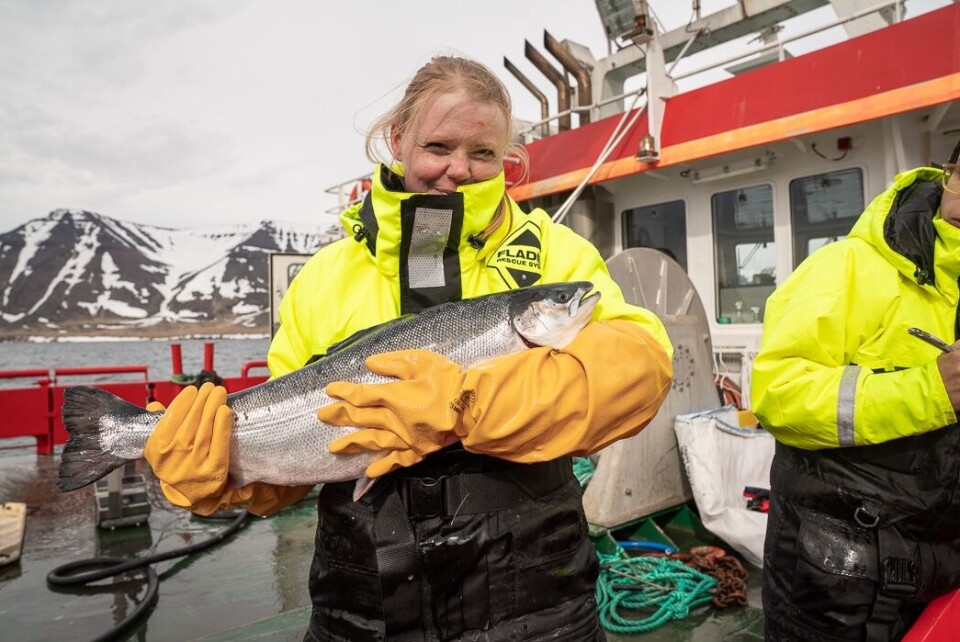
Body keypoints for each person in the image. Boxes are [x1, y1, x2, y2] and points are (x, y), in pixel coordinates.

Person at [142, 55, 674, 641]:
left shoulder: (555, 254)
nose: (458, 170)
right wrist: (221, 474)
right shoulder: (324, 278)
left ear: (506, 159)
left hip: (536, 604)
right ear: (397, 140)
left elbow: (636, 369)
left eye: (482, 153)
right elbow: (290, 457)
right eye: (438, 146)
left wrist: (470, 401)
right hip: (362, 608)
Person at [752, 137, 960, 642]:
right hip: (835, 586)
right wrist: (931, 391)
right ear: (949, 172)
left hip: (944, 570)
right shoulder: (846, 266)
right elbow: (777, 394)